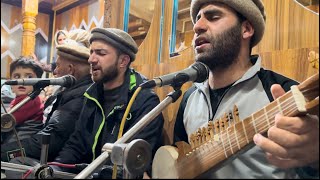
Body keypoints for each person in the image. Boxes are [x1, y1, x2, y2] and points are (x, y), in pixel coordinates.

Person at [173, 0, 319, 179]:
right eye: (197, 19)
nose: (197, 27)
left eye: (213, 17)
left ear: (247, 29)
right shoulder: (189, 98)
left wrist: (315, 158)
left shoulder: (284, 92)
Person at [52, 27, 164, 178]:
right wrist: (54, 170)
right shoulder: (91, 94)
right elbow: (76, 145)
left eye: (101, 53)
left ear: (123, 61)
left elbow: (131, 164)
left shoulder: (145, 100)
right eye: (91, 52)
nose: (91, 59)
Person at [1, 29, 93, 164]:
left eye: (58, 66)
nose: (54, 71)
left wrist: (4, 153)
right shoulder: (67, 92)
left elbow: (47, 143)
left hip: (50, 161)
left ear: (70, 70)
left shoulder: (79, 98)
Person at [1, 56, 44, 145]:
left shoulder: (31, 100)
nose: (22, 80)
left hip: (21, 146)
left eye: (29, 77)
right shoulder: (20, 99)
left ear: (38, 83)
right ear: (10, 82)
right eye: (17, 76)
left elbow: (5, 123)